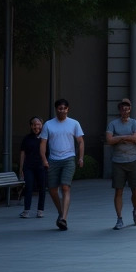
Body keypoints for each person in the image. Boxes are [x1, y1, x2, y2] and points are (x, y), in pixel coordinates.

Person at [40, 98, 84, 231]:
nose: (62, 111)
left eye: (65, 108)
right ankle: (61, 212)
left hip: (69, 158)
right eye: (60, 109)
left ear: (68, 109)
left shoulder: (74, 123)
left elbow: (80, 141)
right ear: (56, 109)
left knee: (65, 187)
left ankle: (63, 218)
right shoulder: (48, 124)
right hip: (53, 159)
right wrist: (44, 159)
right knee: (53, 190)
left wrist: (81, 158)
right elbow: (43, 143)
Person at [106, 98, 136, 230]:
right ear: (119, 110)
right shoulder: (113, 124)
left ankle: (135, 210)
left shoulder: (134, 123)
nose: (125, 110)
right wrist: (127, 137)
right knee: (118, 191)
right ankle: (119, 218)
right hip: (118, 161)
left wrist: (120, 137)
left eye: (127, 108)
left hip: (133, 160)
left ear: (130, 109)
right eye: (123, 108)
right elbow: (109, 140)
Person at [17, 116, 46, 218]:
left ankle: (40, 210)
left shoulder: (45, 138)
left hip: (41, 167)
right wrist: (21, 168)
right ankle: (26, 210)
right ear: (31, 126)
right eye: (34, 124)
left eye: (38, 124)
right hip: (28, 166)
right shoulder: (27, 138)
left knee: (42, 188)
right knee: (28, 187)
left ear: (42, 125)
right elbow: (22, 153)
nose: (36, 127)